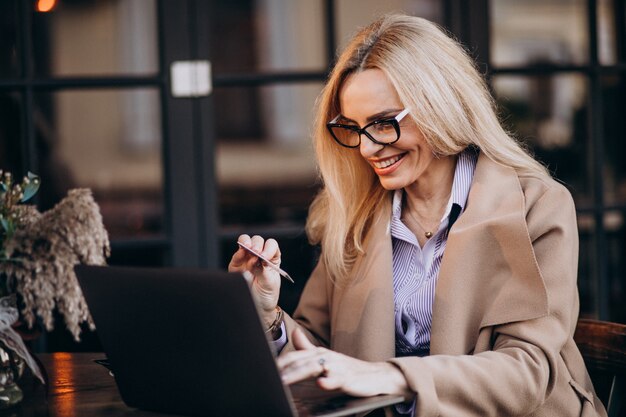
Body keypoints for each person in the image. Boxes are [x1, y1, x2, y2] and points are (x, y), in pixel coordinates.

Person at [228, 14, 607, 417]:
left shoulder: (537, 205)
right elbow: (320, 355)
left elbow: (529, 370)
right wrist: (269, 317)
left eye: (383, 123)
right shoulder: (355, 216)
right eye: (353, 128)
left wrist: (394, 378)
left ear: (440, 106)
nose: (368, 149)